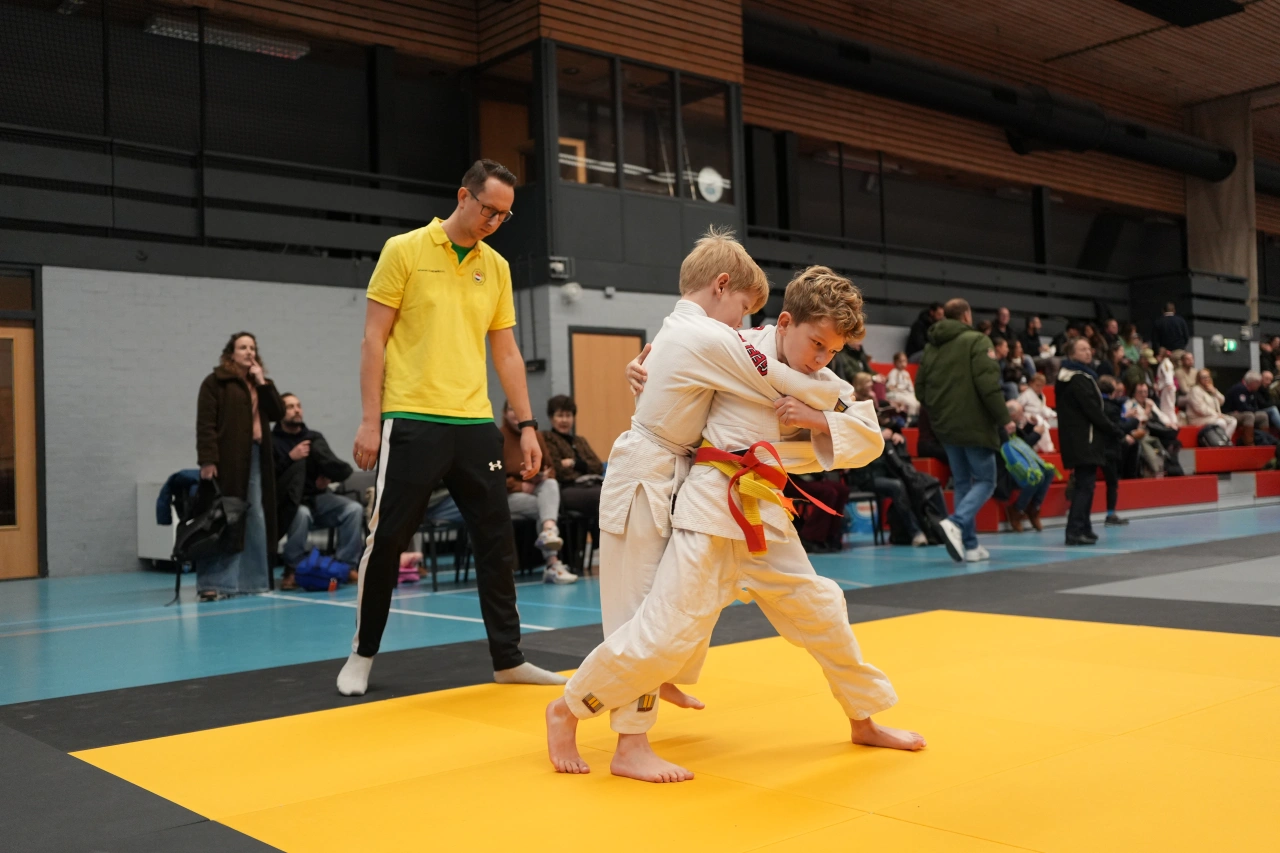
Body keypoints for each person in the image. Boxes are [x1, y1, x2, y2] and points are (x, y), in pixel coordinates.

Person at [547, 269, 925, 781]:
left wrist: (815, 419)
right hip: (710, 510)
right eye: (816, 343)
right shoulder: (731, 345)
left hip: (765, 512)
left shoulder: (823, 385)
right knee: (665, 630)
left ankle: (864, 719)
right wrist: (640, 371)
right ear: (785, 322)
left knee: (823, 611)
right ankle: (569, 707)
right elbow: (670, 367)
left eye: (833, 352)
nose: (821, 359)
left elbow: (868, 435)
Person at [606, 252, 854, 781]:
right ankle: (620, 737)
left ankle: (657, 679)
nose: (742, 321)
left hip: (673, 468)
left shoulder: (687, 331)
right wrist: (833, 406)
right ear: (721, 285)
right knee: (639, 608)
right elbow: (780, 380)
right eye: (743, 308)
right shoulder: (707, 335)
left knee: (668, 600)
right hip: (648, 471)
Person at [338, 159, 564, 697]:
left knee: (497, 541)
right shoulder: (404, 250)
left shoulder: (497, 267)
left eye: (504, 216)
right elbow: (373, 340)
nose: (494, 221)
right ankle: (361, 655)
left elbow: (506, 352)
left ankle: (508, 659)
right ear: (463, 196)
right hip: (411, 418)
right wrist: (370, 420)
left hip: (475, 424)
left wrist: (528, 425)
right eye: (489, 210)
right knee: (386, 539)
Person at [917, 298, 1014, 563]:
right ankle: (956, 523)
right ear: (966, 316)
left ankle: (970, 546)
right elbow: (988, 385)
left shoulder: (931, 347)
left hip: (945, 426)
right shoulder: (977, 341)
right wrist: (1004, 418)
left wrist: (940, 412)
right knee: (986, 481)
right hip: (975, 425)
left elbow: (920, 390)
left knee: (962, 483)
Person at [195, 332, 285, 601]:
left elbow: (278, 413)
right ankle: (216, 583)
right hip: (227, 460)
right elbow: (205, 424)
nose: (248, 352)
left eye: (252, 348)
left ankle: (253, 582)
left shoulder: (261, 383)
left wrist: (262, 382)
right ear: (231, 353)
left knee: (255, 516)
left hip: (256, 458)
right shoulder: (215, 382)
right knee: (224, 517)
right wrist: (207, 460)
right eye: (242, 347)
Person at [273, 393, 362, 589]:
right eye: (290, 407)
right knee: (301, 514)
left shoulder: (314, 437)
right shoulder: (272, 442)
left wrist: (329, 478)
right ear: (280, 412)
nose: (296, 410)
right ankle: (293, 569)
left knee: (353, 509)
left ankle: (345, 567)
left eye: (298, 406)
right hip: (290, 504)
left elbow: (332, 464)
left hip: (319, 498)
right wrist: (290, 458)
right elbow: (270, 480)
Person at [498, 401, 576, 585]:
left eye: (520, 409)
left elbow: (551, 468)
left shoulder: (535, 436)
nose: (516, 413)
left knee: (550, 485)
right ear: (505, 413)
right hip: (508, 496)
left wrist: (543, 475)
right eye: (512, 409)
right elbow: (493, 477)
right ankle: (552, 564)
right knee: (546, 508)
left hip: (535, 488)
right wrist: (519, 486)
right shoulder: (499, 437)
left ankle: (548, 531)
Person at [1056, 337, 1122, 546]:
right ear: (1071, 353)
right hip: (1083, 439)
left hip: (1081, 438)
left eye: (1088, 348)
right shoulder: (1076, 379)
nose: (1088, 352)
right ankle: (1074, 531)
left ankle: (1084, 527)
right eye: (1082, 349)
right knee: (1084, 486)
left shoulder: (1077, 376)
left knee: (1086, 485)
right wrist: (1114, 430)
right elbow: (1092, 410)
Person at [542, 395, 604, 525]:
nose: (564, 420)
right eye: (560, 415)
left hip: (590, 485)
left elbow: (598, 466)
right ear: (551, 418)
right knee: (603, 496)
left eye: (568, 415)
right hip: (566, 489)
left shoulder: (580, 441)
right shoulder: (548, 438)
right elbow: (559, 470)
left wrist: (574, 464)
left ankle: (601, 538)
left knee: (615, 493)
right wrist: (585, 468)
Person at [1002, 400, 1051, 532]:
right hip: (1007, 468)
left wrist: (1030, 425)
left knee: (1048, 471)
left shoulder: (1014, 425)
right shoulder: (1002, 428)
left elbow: (1021, 440)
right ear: (1012, 415)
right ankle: (1017, 509)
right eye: (1021, 413)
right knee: (1035, 477)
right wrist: (1037, 434)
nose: (1023, 415)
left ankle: (1034, 507)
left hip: (1018, 464)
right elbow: (1022, 446)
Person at [1096, 377, 1133, 524]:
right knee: (1112, 483)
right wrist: (1133, 422)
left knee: (1087, 483)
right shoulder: (1113, 407)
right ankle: (1110, 514)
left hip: (1094, 447)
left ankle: (1080, 516)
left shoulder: (1094, 404)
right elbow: (1117, 428)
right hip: (1109, 449)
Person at [1186, 369, 1236, 441]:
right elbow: (1200, 409)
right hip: (1198, 418)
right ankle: (1220, 442)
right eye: (1203, 377)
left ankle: (1225, 441)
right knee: (1221, 422)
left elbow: (1222, 401)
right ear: (1198, 379)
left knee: (1233, 421)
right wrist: (1216, 415)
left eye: (1208, 377)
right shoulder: (1195, 390)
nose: (1206, 379)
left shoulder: (1210, 389)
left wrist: (1214, 391)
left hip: (1212, 416)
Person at [1222, 371, 1269, 445]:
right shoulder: (1239, 388)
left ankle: (1264, 441)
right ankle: (1249, 442)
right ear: (1252, 382)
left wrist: (1253, 409)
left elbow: (1254, 406)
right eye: (1258, 383)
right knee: (1249, 415)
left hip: (1243, 412)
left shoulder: (1253, 391)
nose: (1259, 385)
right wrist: (1252, 410)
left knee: (1263, 416)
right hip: (1230, 413)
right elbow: (1242, 407)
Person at [1017, 372, 1056, 453]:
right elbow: (1018, 407)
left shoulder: (1042, 396)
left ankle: (1045, 448)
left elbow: (1043, 408)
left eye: (1041, 386)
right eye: (1037, 385)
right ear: (1031, 383)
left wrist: (1052, 414)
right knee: (1041, 425)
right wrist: (1028, 417)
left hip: (1038, 419)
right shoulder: (1026, 395)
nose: (1039, 388)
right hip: (1027, 421)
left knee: (1042, 424)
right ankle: (1048, 448)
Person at [884, 351, 920, 418]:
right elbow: (890, 387)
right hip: (897, 394)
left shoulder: (906, 373)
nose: (903, 364)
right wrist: (898, 388)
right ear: (895, 362)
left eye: (904, 361)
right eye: (900, 362)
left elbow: (910, 387)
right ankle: (910, 419)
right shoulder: (893, 373)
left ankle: (916, 419)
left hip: (906, 393)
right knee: (911, 403)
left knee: (917, 402)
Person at [991, 336, 1019, 401]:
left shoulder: (1003, 362)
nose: (1008, 350)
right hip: (994, 386)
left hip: (1002, 385)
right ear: (998, 348)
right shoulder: (991, 362)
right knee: (1012, 387)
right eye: (1005, 347)